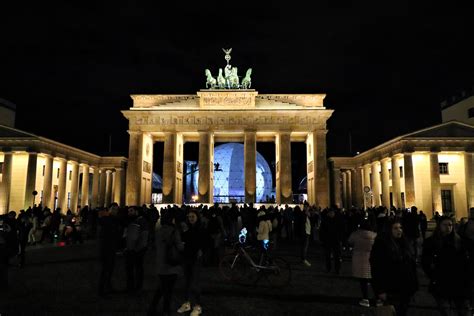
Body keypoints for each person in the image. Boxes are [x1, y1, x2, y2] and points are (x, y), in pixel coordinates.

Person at [422, 216, 472, 316]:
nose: (448, 227)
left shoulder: (460, 241)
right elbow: (425, 262)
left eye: (450, 225)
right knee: (446, 310)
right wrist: (433, 276)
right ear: (439, 226)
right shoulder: (431, 242)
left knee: (463, 310)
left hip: (459, 282)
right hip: (441, 282)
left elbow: (467, 262)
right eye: (445, 225)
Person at [370, 219, 418, 316]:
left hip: (405, 287)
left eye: (400, 228)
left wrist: (414, 284)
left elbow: (411, 265)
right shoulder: (381, 245)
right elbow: (376, 268)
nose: (399, 230)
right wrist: (380, 290)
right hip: (390, 288)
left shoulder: (405, 243)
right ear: (389, 230)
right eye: (395, 228)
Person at [148, 209, 184, 316]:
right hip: (171, 264)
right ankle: (166, 310)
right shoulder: (174, 231)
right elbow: (180, 247)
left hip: (160, 262)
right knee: (168, 290)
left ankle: (153, 308)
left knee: (161, 288)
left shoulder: (158, 231)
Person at [177, 209, 208, 316]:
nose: (191, 219)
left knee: (195, 283)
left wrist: (202, 251)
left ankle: (198, 306)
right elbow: (183, 241)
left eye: (193, 217)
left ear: (197, 217)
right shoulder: (187, 228)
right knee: (186, 282)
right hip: (187, 258)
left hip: (196, 259)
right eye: (189, 217)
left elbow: (202, 242)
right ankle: (187, 303)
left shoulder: (201, 229)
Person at [348, 219, 377, 308]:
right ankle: (378, 300)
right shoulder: (375, 236)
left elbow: (350, 242)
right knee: (375, 281)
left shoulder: (356, 234)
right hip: (373, 260)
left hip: (360, 259)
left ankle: (365, 299)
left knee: (363, 281)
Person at [97, 204, 121, 298]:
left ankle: (108, 287)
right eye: (113, 209)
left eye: (116, 209)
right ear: (109, 210)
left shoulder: (114, 219)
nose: (115, 211)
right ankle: (101, 290)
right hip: (106, 248)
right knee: (105, 271)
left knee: (110, 270)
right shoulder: (106, 219)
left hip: (112, 248)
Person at [124, 206, 149, 294]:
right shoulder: (131, 221)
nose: (129, 213)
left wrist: (138, 249)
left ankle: (138, 288)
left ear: (137, 211)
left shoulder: (142, 221)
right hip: (130, 249)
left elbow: (144, 237)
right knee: (130, 270)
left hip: (137, 251)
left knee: (138, 269)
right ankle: (130, 287)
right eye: (128, 211)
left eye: (131, 211)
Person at [320, 208, 344, 274]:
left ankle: (337, 269)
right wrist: (322, 239)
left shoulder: (338, 220)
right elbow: (322, 231)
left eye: (332, 213)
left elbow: (341, 230)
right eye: (330, 213)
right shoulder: (325, 220)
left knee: (337, 256)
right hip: (328, 241)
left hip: (336, 240)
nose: (331, 214)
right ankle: (328, 268)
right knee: (328, 256)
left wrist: (340, 239)